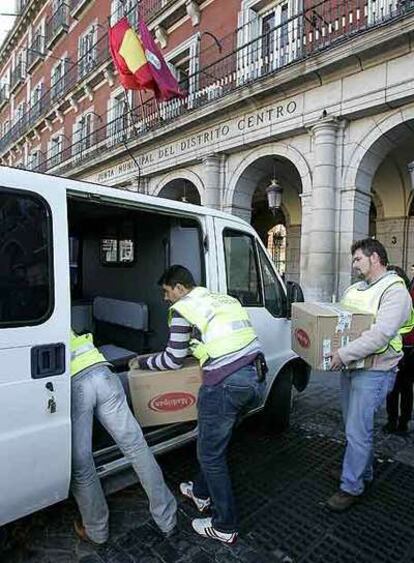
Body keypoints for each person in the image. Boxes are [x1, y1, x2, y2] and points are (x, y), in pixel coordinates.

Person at [131, 265, 265, 544]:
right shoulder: (222, 299)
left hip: (225, 385)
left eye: (167, 292)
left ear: (179, 288)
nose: (166, 298)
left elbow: (171, 360)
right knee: (215, 445)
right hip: (255, 379)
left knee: (210, 455)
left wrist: (142, 361)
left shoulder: (184, 309)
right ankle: (200, 493)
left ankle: (224, 526)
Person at [327, 239, 413, 512]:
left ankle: (351, 486)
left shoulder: (395, 291)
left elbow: (380, 334)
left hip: (375, 370)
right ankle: (360, 471)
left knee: (357, 429)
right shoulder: (354, 289)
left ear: (375, 258)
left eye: (358, 259)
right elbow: (339, 320)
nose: (354, 265)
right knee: (353, 427)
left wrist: (342, 355)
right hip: (352, 368)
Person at [70, 329, 177, 545]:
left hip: (74, 382)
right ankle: (167, 520)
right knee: (137, 448)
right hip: (101, 370)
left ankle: (97, 531)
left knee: (81, 464)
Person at [383, 265, 414, 434]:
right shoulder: (392, 296)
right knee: (394, 388)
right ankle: (393, 420)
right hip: (396, 348)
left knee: (404, 387)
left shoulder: (406, 295)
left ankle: (402, 421)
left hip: (408, 349)